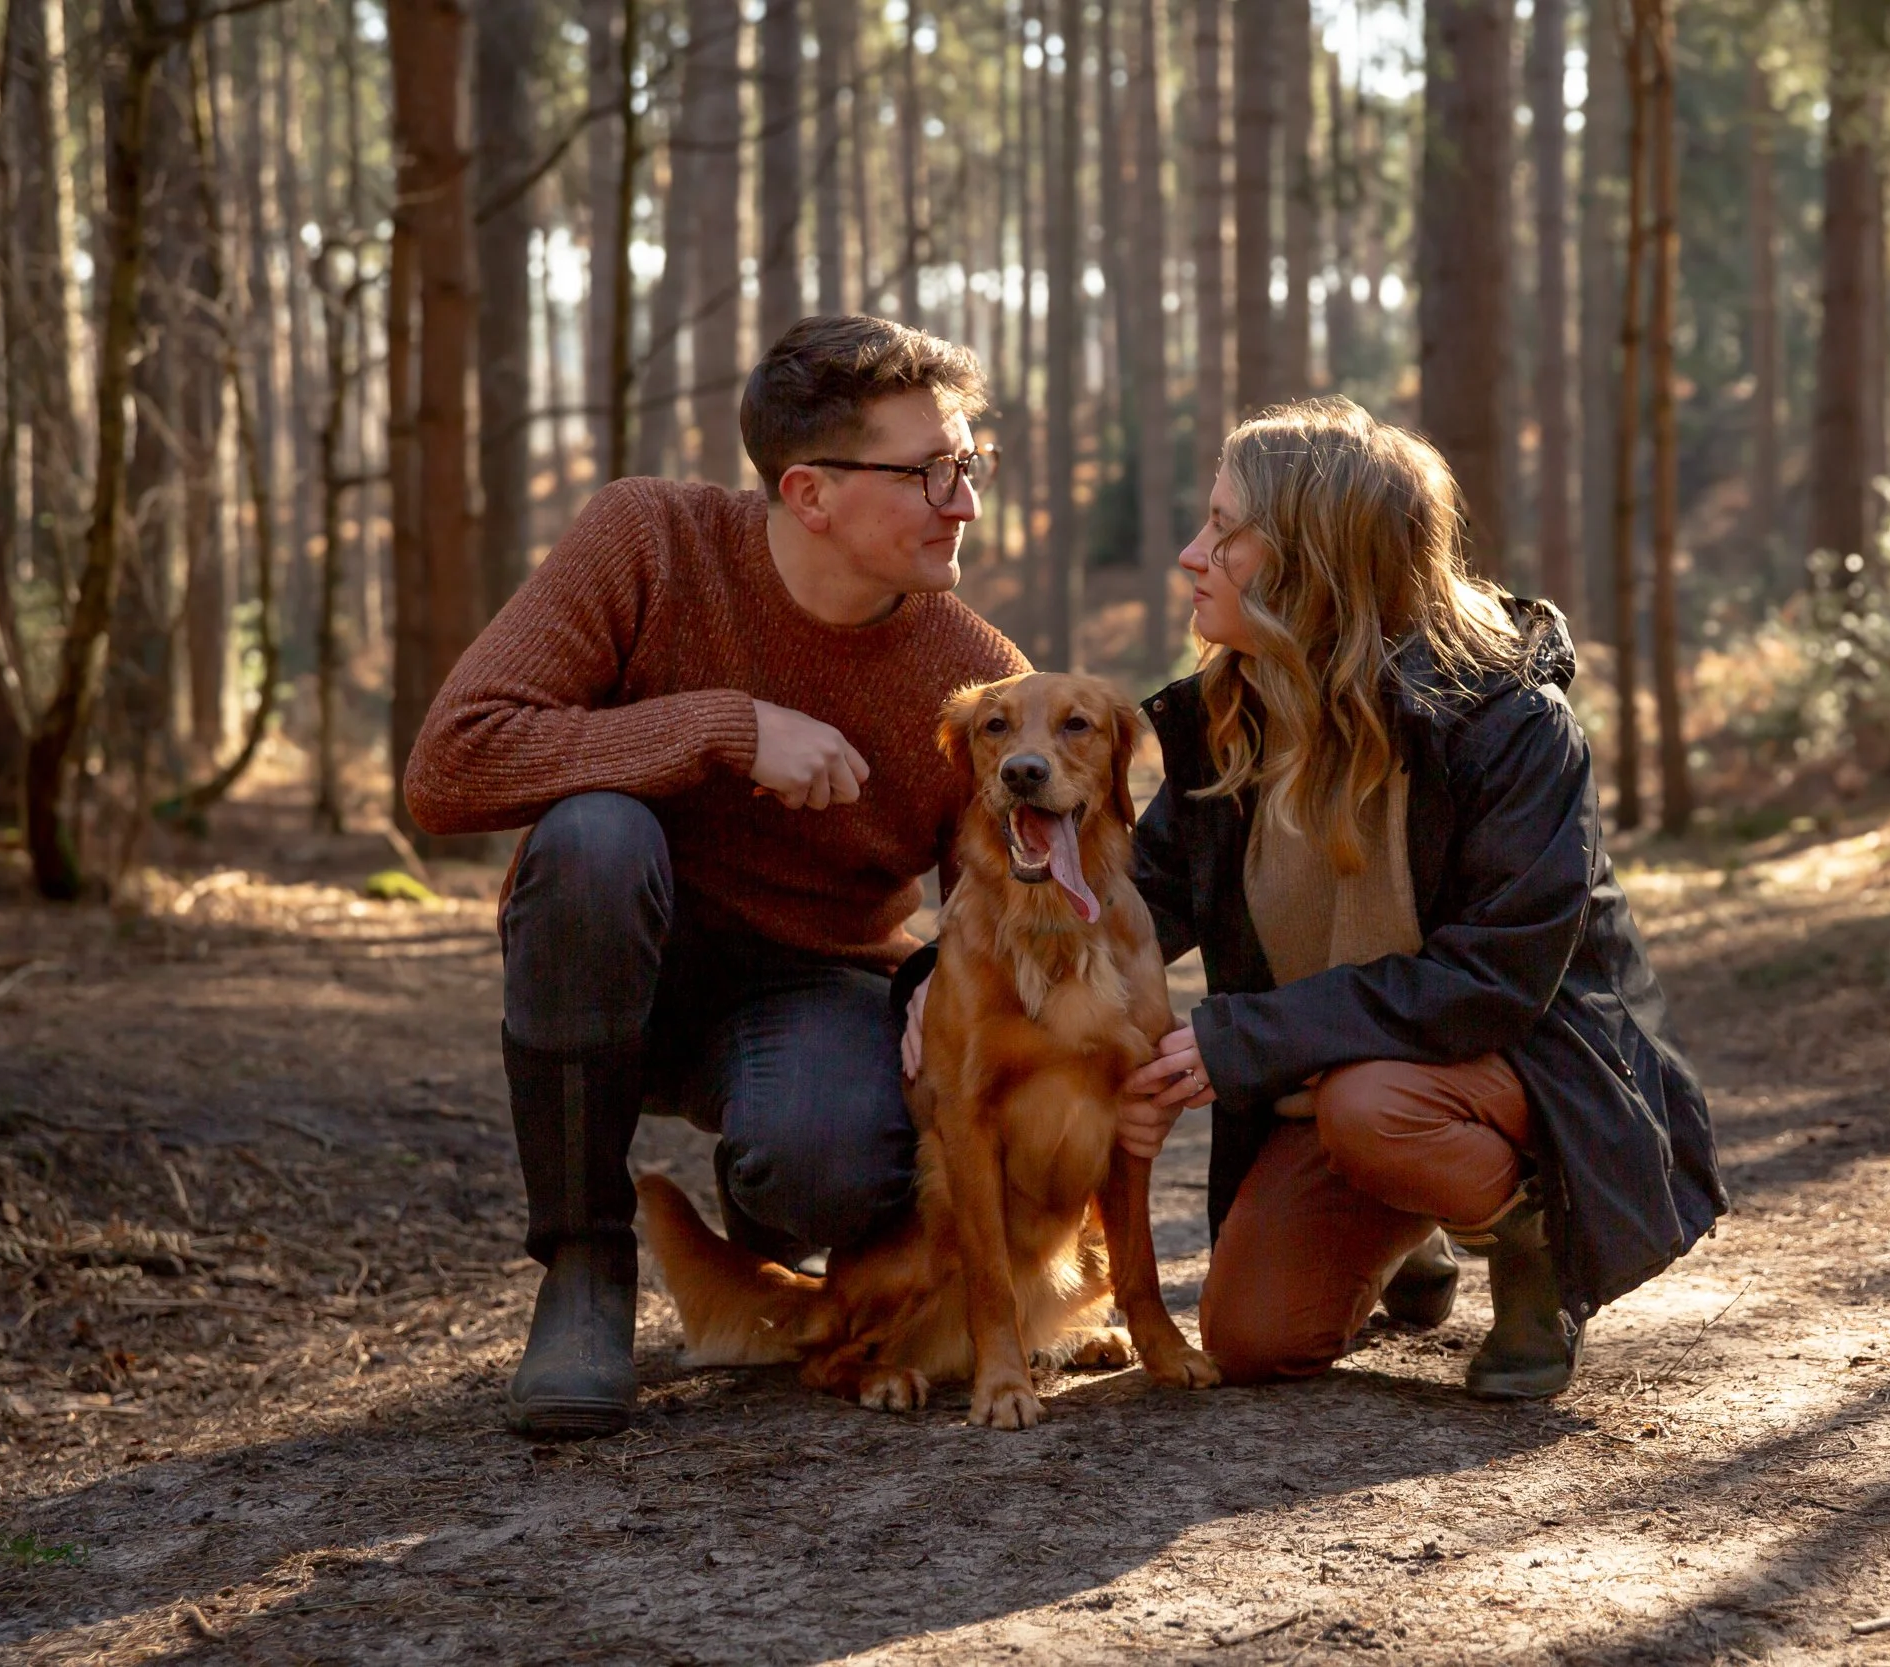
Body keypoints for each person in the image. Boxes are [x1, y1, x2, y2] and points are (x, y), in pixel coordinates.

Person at [908, 396, 1722, 1398]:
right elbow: (1131, 896)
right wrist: (939, 983)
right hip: (1330, 1078)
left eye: (1224, 531)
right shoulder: (1229, 711)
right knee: (1252, 1336)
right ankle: (1401, 1207)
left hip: (1523, 1074)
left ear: (1318, 562)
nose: (1190, 554)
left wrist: (1238, 1040)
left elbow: (1494, 978)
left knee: (1373, 1105)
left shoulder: (1513, 725)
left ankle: (1527, 1232)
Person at [406, 315, 1026, 1439]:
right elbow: (449, 767)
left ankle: (768, 1194)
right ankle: (585, 1268)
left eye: (970, 465)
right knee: (596, 835)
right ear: (809, 493)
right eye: (931, 472)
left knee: (827, 1162)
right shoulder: (650, 540)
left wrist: (943, 962)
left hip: (811, 984)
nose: (965, 502)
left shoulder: (974, 672)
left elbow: (993, 888)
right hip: (605, 956)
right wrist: (723, 728)